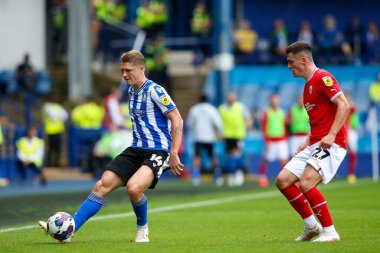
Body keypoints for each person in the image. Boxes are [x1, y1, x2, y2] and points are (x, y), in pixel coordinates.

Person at [39, 50, 184, 243]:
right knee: (101, 185)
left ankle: (142, 228)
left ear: (141, 69)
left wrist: (173, 152)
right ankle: (69, 230)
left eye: (128, 70)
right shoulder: (131, 91)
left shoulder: (155, 91)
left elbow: (177, 119)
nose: (124, 74)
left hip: (158, 150)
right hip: (136, 148)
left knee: (134, 188)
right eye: (122, 70)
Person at [276, 41, 350, 242]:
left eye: (291, 62)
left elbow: (344, 105)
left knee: (306, 183)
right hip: (316, 143)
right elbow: (320, 119)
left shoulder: (322, 77)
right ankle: (311, 226)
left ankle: (330, 232)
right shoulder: (308, 85)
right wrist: (308, 140)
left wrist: (332, 134)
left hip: (332, 143)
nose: (289, 66)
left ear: (304, 60)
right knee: (283, 180)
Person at [186, 94, 223, 187]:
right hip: (209, 137)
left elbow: (189, 124)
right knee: (213, 157)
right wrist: (219, 134)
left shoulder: (194, 109)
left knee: (197, 158)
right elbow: (218, 124)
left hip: (198, 137)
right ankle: (218, 177)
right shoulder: (212, 109)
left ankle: (196, 178)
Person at [218, 91, 251, 187]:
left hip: (238, 135)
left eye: (232, 96)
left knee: (237, 154)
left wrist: (247, 126)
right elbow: (218, 121)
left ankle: (239, 174)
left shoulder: (241, 107)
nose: (231, 98)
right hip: (227, 135)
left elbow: (248, 119)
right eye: (229, 96)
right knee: (229, 156)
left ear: (235, 97)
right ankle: (231, 175)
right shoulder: (222, 108)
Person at [258, 93, 289, 187]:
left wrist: (285, 137)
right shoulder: (266, 112)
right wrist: (266, 140)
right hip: (271, 140)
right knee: (265, 160)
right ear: (270, 101)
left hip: (281, 140)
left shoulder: (281, 112)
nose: (274, 101)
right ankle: (262, 177)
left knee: (284, 160)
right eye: (273, 99)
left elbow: (284, 126)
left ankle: (286, 178)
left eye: (276, 99)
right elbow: (263, 127)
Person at [41, 96, 68, 167]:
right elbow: (53, 116)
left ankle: (56, 162)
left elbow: (65, 116)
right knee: (50, 148)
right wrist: (58, 116)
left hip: (58, 130)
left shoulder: (58, 107)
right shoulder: (46, 107)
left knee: (58, 148)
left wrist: (58, 116)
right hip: (50, 130)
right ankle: (49, 163)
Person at [344, 91, 359, 184]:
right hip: (343, 130)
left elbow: (354, 118)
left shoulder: (352, 106)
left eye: (348, 96)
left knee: (352, 152)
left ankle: (351, 174)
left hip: (351, 130)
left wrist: (355, 127)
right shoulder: (341, 105)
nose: (347, 98)